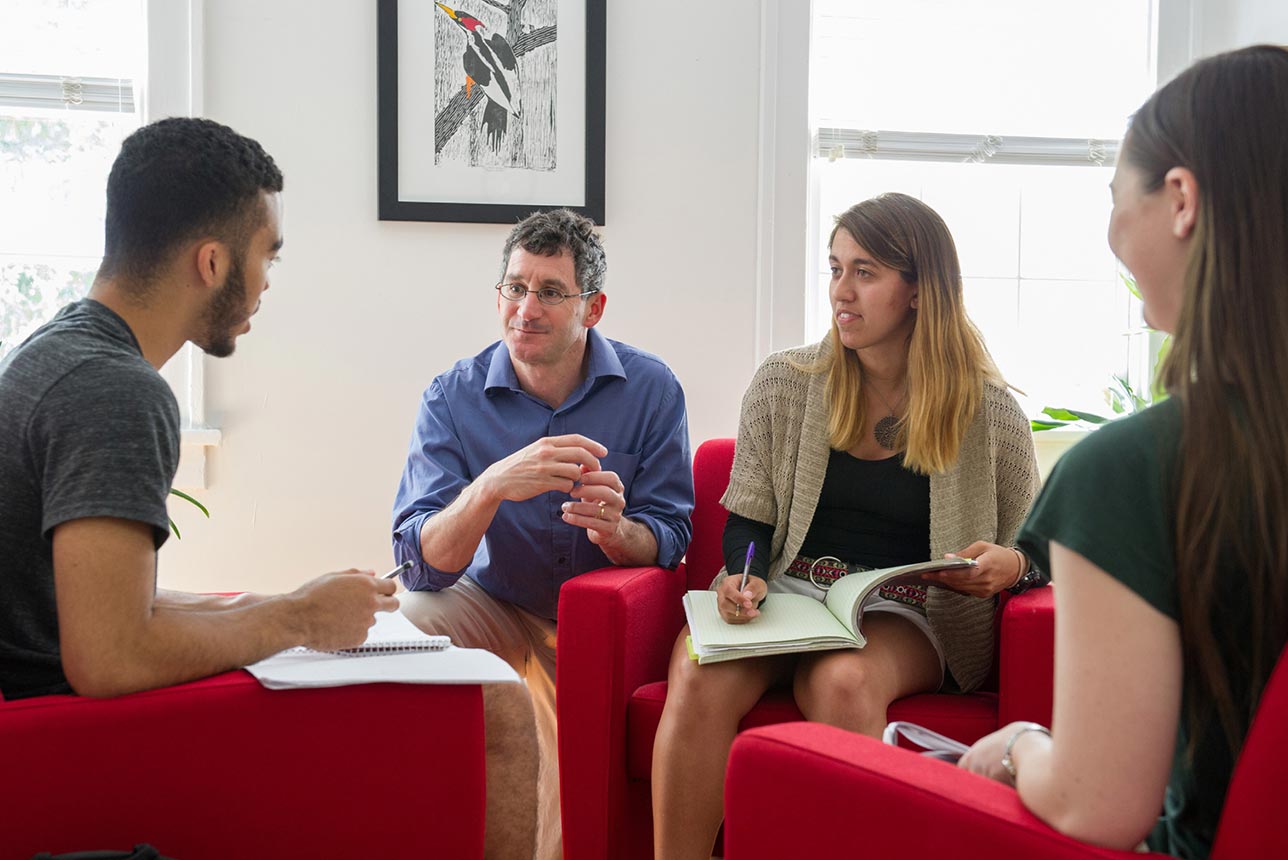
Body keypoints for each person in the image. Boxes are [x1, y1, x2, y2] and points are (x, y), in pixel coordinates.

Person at [954, 45, 1288, 860]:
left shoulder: (1135, 468)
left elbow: (1096, 807)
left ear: (1181, 200)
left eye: (1115, 198)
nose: (1110, 234)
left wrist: (1020, 745)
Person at [651, 192, 1043, 860]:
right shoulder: (784, 383)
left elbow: (1033, 549)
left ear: (918, 290)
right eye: (835, 269)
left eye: (865, 272)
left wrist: (1010, 567)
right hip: (790, 593)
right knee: (697, 669)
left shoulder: (989, 411)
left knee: (844, 680)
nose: (842, 291)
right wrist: (744, 577)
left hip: (909, 607)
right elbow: (750, 519)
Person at [0, 117, 401, 700]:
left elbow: (90, 603)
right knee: (493, 702)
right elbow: (110, 657)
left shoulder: (56, 349)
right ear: (211, 263)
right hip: (60, 740)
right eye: (269, 257)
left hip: (36, 717)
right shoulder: (117, 391)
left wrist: (274, 605)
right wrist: (300, 622)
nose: (266, 283)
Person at [391, 207, 695, 860]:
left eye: (551, 291)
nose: (526, 308)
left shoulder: (652, 389)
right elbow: (418, 563)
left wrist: (618, 533)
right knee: (408, 617)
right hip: (494, 600)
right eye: (516, 287)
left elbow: (671, 537)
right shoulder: (452, 395)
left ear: (594, 307)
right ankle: (417, 822)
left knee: (562, 809)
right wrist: (492, 484)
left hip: (601, 618)